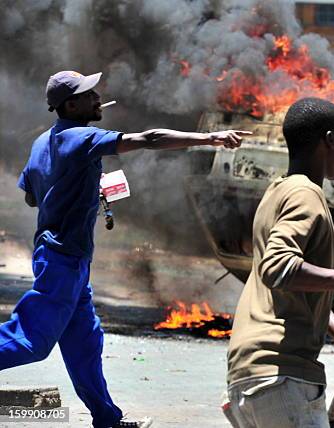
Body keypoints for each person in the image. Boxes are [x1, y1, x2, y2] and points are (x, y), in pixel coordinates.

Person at [0, 70, 251, 428]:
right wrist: (210, 137)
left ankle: (108, 421)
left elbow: (30, 196)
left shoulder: (43, 142)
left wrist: (81, 185)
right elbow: (149, 138)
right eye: (89, 94)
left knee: (85, 346)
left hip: (66, 260)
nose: (98, 98)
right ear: (71, 104)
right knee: (29, 343)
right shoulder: (83, 137)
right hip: (62, 261)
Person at [224, 97, 334, 428]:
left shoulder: (277, 192)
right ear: (330, 141)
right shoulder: (306, 194)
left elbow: (287, 286)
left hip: (251, 375)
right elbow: (278, 269)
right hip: (281, 377)